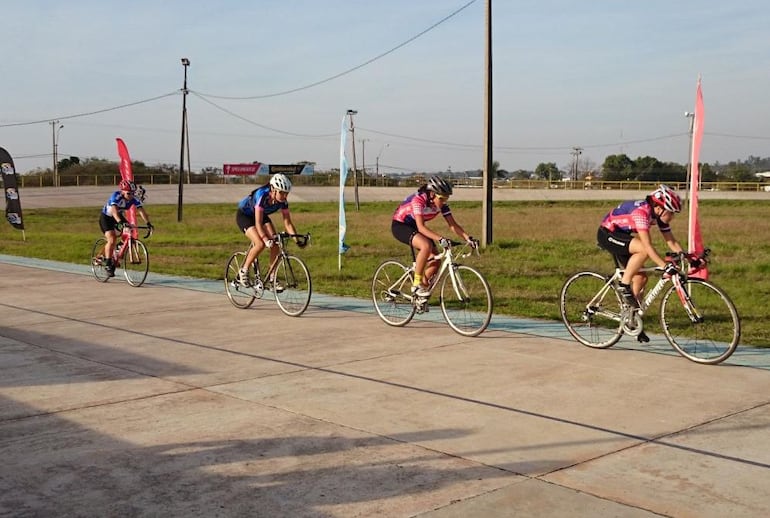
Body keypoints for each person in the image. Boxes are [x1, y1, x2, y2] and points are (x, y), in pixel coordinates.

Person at [597, 184, 685, 314]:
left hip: (621, 235)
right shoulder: (641, 213)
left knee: (640, 278)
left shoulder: (657, 215)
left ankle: (631, 317)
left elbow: (671, 241)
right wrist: (664, 266)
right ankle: (624, 285)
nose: (672, 217)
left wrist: (686, 255)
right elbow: (647, 246)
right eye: (671, 212)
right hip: (608, 234)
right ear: (660, 208)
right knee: (643, 249)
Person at [391, 175, 476, 298]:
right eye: (442, 198)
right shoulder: (418, 200)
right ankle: (416, 285)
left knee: (436, 261)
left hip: (417, 227)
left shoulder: (442, 205)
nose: (444, 201)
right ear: (432, 194)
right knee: (426, 246)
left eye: (447, 198)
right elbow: (420, 227)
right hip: (401, 226)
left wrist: (468, 238)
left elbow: (453, 225)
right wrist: (440, 238)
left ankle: (420, 296)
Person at [235, 173, 304, 290]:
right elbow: (257, 223)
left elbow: (287, 222)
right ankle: (243, 271)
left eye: (286, 193)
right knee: (260, 244)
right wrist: (266, 239)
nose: (284, 196)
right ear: (273, 189)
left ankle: (272, 279)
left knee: (276, 244)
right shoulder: (262, 195)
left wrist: (297, 240)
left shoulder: (283, 201)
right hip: (245, 216)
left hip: (262, 216)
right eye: (281, 192)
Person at [99, 179, 153, 277]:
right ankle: (107, 264)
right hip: (107, 217)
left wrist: (148, 223)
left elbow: (141, 211)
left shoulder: (133, 198)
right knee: (112, 239)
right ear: (123, 191)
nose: (131, 196)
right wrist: (120, 223)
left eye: (132, 193)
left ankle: (116, 251)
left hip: (118, 216)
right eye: (128, 193)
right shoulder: (116, 196)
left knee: (129, 231)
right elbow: (114, 211)